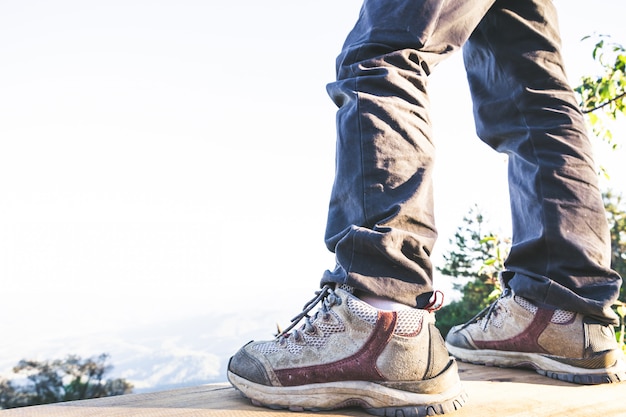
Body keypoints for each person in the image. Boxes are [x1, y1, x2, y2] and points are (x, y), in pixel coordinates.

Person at [227, 0, 626, 414]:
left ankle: (381, 315)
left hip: (383, 322)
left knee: (383, 51)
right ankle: (559, 312)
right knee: (532, 90)